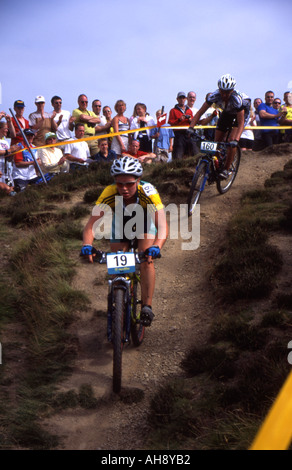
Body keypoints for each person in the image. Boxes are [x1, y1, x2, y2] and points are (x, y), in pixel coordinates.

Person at [80, 156, 168, 326]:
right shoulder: (110, 192)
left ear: (138, 180)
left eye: (129, 183)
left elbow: (162, 226)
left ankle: (146, 307)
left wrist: (157, 246)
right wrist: (87, 245)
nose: (124, 188)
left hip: (144, 221)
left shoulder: (148, 192)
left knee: (146, 259)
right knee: (116, 259)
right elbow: (90, 226)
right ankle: (117, 300)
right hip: (121, 221)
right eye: (120, 184)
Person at [189, 74, 251, 177]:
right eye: (222, 91)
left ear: (232, 91)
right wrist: (190, 128)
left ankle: (226, 169)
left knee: (232, 139)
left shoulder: (237, 99)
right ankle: (217, 164)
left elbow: (240, 124)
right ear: (219, 89)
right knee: (216, 141)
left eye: (228, 92)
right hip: (227, 112)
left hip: (241, 113)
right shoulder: (214, 95)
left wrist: (236, 140)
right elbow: (199, 113)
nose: (224, 95)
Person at [168, 91, 194, 159]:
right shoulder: (173, 110)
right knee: (178, 152)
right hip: (178, 133)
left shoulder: (189, 110)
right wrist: (179, 119)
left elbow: (194, 120)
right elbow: (170, 122)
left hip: (188, 133)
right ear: (177, 99)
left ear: (186, 99)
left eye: (183, 98)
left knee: (190, 151)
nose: (182, 100)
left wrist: (191, 120)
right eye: (180, 98)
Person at [0, 118, 19, 190]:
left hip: (6, 170)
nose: (7, 130)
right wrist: (9, 150)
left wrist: (13, 152)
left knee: (11, 189)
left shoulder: (5, 142)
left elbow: (9, 159)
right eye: (5, 128)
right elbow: (6, 151)